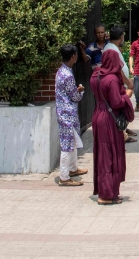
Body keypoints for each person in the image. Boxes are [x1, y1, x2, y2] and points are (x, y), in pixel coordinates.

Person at [90, 49, 134, 205]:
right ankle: (107, 194)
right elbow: (116, 102)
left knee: (102, 153)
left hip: (98, 115)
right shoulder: (112, 79)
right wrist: (127, 95)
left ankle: (109, 191)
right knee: (110, 154)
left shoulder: (95, 76)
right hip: (109, 118)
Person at [55, 44, 87, 187]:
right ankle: (64, 176)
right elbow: (75, 96)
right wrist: (80, 90)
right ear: (73, 56)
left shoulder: (61, 71)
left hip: (63, 112)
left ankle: (73, 169)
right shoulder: (68, 75)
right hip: (67, 114)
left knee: (71, 142)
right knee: (67, 145)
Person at [102, 26, 136, 143]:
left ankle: (124, 129)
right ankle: (122, 133)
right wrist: (128, 82)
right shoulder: (112, 50)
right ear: (121, 37)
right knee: (121, 105)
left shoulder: (112, 48)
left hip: (117, 82)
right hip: (116, 83)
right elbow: (117, 69)